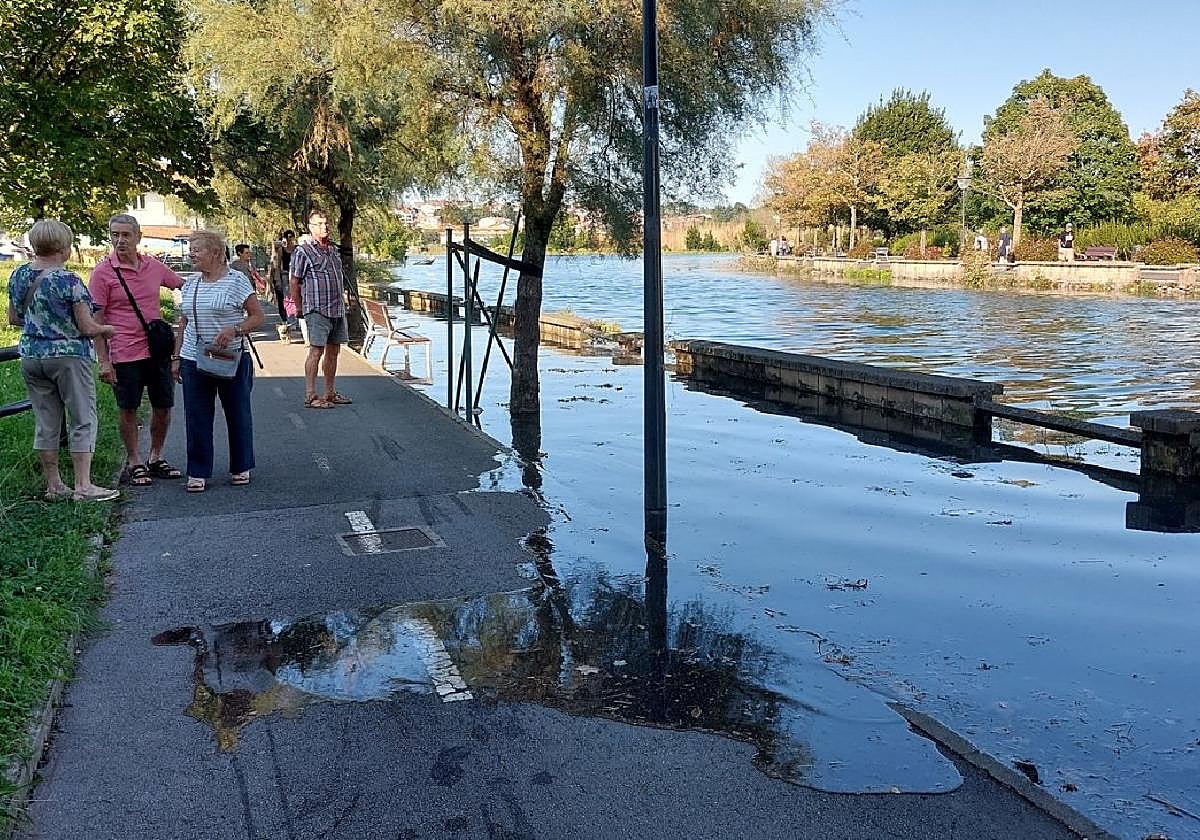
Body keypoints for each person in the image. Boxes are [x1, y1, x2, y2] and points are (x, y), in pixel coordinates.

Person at [6, 220, 118, 501]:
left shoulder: (19, 275)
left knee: (46, 420)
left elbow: (13, 318)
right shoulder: (69, 281)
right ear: (63, 247)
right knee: (82, 418)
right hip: (68, 356)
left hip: (31, 355)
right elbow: (86, 327)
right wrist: (107, 329)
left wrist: (41, 324)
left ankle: (54, 485)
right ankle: (83, 485)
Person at [89, 213, 184, 487]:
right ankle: (134, 461)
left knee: (164, 406)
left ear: (137, 237)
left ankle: (156, 457)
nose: (120, 240)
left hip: (157, 351)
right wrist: (104, 361)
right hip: (123, 352)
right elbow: (97, 321)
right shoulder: (102, 273)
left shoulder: (154, 266)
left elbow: (184, 286)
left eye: (125, 235)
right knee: (128, 408)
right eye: (115, 235)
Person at [173, 230, 264, 493]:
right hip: (194, 357)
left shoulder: (237, 281)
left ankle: (241, 466)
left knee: (238, 414)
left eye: (196, 249)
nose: (191, 254)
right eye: (191, 249)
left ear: (215, 252)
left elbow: (257, 317)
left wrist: (235, 329)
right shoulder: (190, 284)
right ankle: (198, 471)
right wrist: (176, 357)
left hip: (231, 358)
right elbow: (184, 322)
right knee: (197, 416)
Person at [289, 209, 352, 409]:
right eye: (319, 224)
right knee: (316, 351)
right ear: (310, 227)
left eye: (326, 223)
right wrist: (298, 307)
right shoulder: (303, 251)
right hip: (317, 308)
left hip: (336, 308)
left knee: (334, 351)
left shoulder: (333, 250)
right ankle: (310, 395)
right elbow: (294, 280)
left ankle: (330, 392)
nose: (324, 227)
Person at [266, 230, 297, 339]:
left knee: (298, 298)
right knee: (288, 299)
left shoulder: (297, 250)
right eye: (287, 237)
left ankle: (298, 320)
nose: (289, 239)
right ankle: (290, 321)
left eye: (291, 237)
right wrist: (277, 280)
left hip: (296, 275)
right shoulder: (281, 250)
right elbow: (277, 266)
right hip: (285, 275)